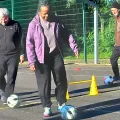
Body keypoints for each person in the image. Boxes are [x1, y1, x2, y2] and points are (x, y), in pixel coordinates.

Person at [26, 1, 79, 117]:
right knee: (44, 83)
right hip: (41, 58)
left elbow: (67, 33)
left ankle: (61, 103)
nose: (47, 16)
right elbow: (29, 43)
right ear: (39, 12)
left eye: (48, 13)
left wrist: (74, 46)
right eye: (44, 14)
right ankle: (47, 106)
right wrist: (31, 61)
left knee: (61, 79)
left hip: (56, 54)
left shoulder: (56, 20)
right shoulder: (33, 24)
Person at [0, 8, 25, 103]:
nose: (3, 21)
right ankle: (3, 90)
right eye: (1, 19)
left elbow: (21, 39)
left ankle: (7, 96)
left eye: (5, 18)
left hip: (13, 55)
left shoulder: (15, 25)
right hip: (1, 55)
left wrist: (22, 53)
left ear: (8, 16)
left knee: (11, 76)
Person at [110, 1, 120, 82]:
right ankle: (117, 76)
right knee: (113, 59)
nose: (113, 12)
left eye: (114, 10)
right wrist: (115, 43)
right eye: (112, 10)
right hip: (117, 45)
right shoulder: (116, 19)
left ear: (119, 9)